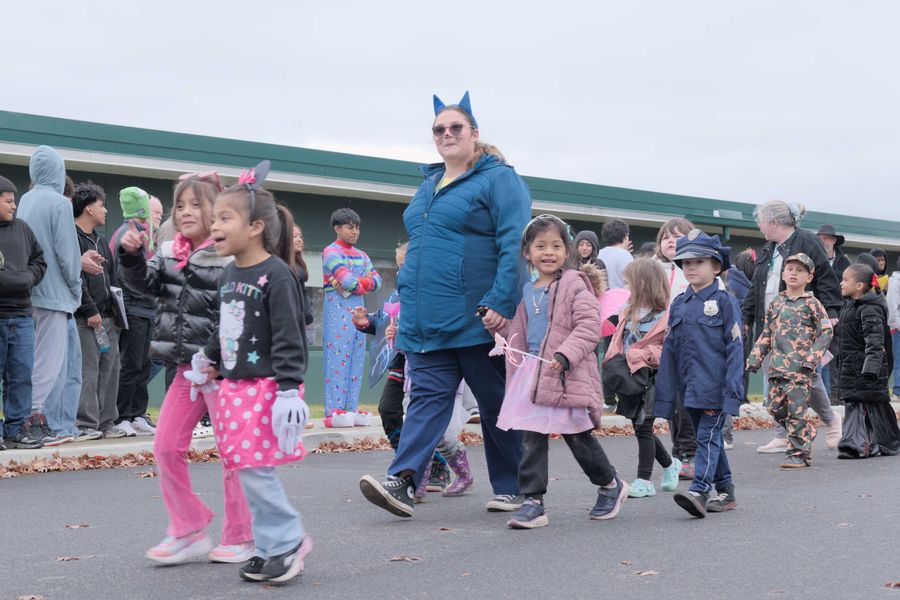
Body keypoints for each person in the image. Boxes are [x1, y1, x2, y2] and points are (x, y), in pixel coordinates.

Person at [358, 91, 530, 517]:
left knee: (494, 404)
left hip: (476, 316)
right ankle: (403, 481)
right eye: (439, 129)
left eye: (456, 127)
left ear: (474, 134)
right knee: (427, 399)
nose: (447, 134)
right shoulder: (428, 184)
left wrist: (502, 300)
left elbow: (514, 243)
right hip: (426, 318)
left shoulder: (499, 179)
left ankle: (515, 487)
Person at [119, 174, 254, 565]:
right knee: (165, 446)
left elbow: (240, 317)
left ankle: (242, 536)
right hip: (186, 371)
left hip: (227, 374)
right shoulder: (168, 252)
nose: (187, 212)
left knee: (233, 455)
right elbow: (145, 285)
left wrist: (219, 361)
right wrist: (131, 256)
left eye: (197, 204)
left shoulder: (230, 256)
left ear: (217, 211)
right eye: (181, 206)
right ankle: (189, 528)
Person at [196, 162, 312, 583]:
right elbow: (227, 325)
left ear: (256, 226)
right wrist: (206, 357)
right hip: (233, 387)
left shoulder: (277, 275)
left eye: (225, 218)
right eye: (215, 219)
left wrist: (287, 390)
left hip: (265, 387)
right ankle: (270, 545)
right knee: (246, 469)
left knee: (256, 469)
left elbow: (289, 335)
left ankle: (288, 540)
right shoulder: (229, 273)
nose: (216, 226)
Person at [494, 214, 627, 528]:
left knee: (578, 438)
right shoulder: (528, 290)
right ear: (528, 252)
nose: (548, 252)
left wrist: (565, 354)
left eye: (556, 245)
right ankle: (533, 501)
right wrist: (498, 329)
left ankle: (609, 484)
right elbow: (519, 330)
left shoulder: (575, 285)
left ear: (567, 252)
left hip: (567, 373)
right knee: (532, 437)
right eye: (540, 246)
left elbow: (588, 326)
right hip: (535, 373)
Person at [352, 242, 473, 499]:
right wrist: (368, 324)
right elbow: (385, 321)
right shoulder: (399, 295)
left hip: (440, 374)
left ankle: (458, 473)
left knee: (445, 436)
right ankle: (411, 480)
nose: (402, 271)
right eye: (399, 267)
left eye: (407, 265)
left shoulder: (437, 293)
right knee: (413, 427)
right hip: (406, 372)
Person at [743, 201, 843, 454]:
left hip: (800, 324)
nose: (760, 227)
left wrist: (831, 312)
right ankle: (781, 433)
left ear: (774, 222)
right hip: (771, 324)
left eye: (762, 222)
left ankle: (831, 419)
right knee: (775, 378)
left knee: (807, 376)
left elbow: (825, 278)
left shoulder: (807, 240)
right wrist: (745, 318)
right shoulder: (769, 249)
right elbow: (756, 286)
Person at [656, 230, 744, 518]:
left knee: (706, 437)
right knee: (710, 438)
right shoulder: (679, 303)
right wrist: (666, 395)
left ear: (716, 266)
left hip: (715, 387)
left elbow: (735, 350)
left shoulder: (725, 301)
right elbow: (670, 350)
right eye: (686, 263)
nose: (691, 268)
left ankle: (700, 489)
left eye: (699, 262)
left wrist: (732, 392)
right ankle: (726, 491)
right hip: (688, 389)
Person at [15, 145, 83, 446]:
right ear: (59, 170)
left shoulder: (25, 200)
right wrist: (76, 285)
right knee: (50, 362)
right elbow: (67, 254)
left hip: (27, 291)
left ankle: (23, 415)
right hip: (55, 294)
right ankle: (32, 418)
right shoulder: (60, 203)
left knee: (28, 359)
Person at [747, 253, 834, 468]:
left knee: (797, 412)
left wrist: (812, 357)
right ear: (783, 274)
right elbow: (766, 333)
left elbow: (826, 332)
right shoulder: (776, 303)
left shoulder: (812, 303)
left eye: (800, 270)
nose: (794, 273)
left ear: (809, 277)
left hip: (800, 369)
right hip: (777, 367)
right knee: (775, 408)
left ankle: (798, 455)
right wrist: (755, 355)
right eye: (790, 269)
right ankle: (807, 432)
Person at [604, 258, 681, 497]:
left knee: (644, 426)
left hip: (651, 379)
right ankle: (670, 465)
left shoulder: (666, 316)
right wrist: (613, 361)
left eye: (629, 283)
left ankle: (644, 480)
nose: (626, 288)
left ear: (644, 284)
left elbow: (668, 351)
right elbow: (618, 342)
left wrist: (643, 353)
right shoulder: (628, 312)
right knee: (639, 427)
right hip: (630, 377)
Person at [72, 182, 122, 441]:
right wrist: (90, 309)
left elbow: (112, 279)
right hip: (86, 319)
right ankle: (85, 424)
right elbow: (74, 279)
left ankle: (106, 422)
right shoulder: (73, 238)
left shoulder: (101, 242)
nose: (105, 210)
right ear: (89, 208)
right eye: (102, 205)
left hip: (107, 319)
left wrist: (114, 313)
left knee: (110, 368)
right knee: (88, 371)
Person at [0, 174, 47, 450]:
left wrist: (28, 277)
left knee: (21, 375)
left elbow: (39, 261)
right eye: (8, 201)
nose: (14, 205)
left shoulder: (23, 229)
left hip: (22, 316)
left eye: (13, 200)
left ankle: (16, 429)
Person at [321, 207, 381, 417]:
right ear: (337, 228)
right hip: (337, 313)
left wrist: (358, 283)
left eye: (357, 227)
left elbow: (377, 281)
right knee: (338, 359)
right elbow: (347, 281)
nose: (355, 231)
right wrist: (362, 283)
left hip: (359, 312)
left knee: (356, 358)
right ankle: (334, 410)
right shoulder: (331, 251)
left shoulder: (362, 255)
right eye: (350, 227)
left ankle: (350, 408)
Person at [836, 264, 900, 459]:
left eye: (846, 280)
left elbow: (875, 342)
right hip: (851, 365)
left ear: (859, 286)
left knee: (863, 402)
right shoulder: (850, 305)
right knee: (868, 404)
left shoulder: (870, 308)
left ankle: (857, 445)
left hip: (865, 368)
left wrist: (870, 371)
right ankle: (885, 442)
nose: (841, 283)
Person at [109, 186, 158, 437]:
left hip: (146, 309)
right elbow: (121, 274)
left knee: (143, 364)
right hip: (133, 307)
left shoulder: (143, 232)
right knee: (130, 364)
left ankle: (137, 413)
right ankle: (121, 416)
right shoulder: (126, 234)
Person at [653, 217, 698, 478]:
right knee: (670, 400)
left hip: (689, 344)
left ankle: (690, 452)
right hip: (661, 344)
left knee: (685, 400)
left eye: (678, 236)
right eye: (666, 237)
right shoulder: (654, 268)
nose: (671, 241)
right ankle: (679, 450)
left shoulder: (694, 270)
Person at [596, 218, 633, 290]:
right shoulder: (626, 256)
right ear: (625, 236)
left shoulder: (598, 253)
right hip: (622, 299)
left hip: (601, 299)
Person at [292, 224, 314, 326]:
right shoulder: (281, 266)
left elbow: (303, 292)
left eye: (300, 236)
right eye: (294, 236)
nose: (299, 239)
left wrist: (307, 314)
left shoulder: (299, 266)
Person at [886, 257, 900, 401]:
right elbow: (892, 306)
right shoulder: (895, 282)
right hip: (898, 330)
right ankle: (898, 391)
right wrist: (897, 325)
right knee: (899, 361)